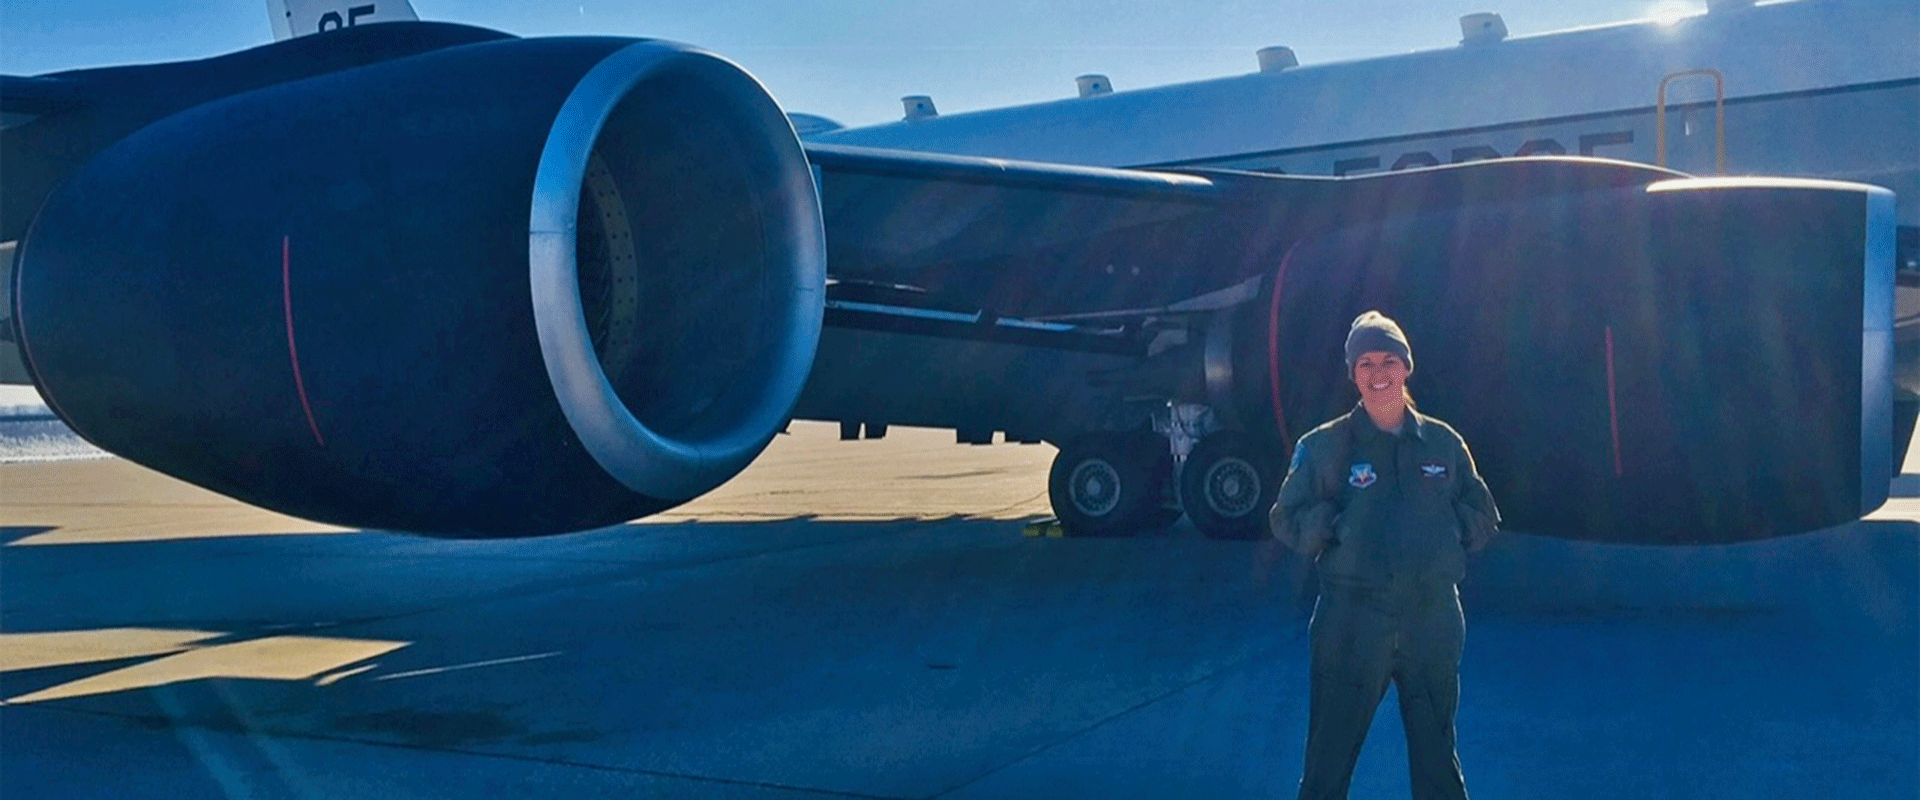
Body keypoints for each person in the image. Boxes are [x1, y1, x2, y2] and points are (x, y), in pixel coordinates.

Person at [1270, 310, 1500, 800]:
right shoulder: (1324, 446)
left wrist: (1448, 531)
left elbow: (1483, 513)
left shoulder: (1442, 442)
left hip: (1432, 618)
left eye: (1389, 361)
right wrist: (1329, 526)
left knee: (1438, 757)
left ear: (1406, 367)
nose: (1378, 374)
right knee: (1328, 759)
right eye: (1366, 363)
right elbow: (1285, 517)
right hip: (1351, 621)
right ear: (1353, 374)